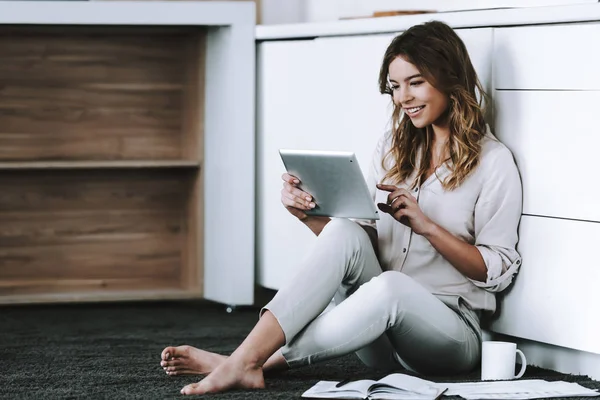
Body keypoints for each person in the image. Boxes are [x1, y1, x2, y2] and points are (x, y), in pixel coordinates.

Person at [159, 20, 523, 395]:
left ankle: (245, 361)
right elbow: (361, 246)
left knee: (391, 287)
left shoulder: (493, 162)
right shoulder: (394, 148)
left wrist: (426, 226)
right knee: (343, 230)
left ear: (449, 77)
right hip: (378, 332)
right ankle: (246, 360)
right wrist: (311, 218)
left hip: (450, 339)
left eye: (415, 82)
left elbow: (495, 271)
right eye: (395, 87)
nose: (403, 98)